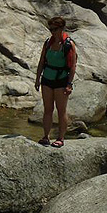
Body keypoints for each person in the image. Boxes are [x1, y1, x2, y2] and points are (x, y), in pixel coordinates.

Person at [34, 16, 77, 148]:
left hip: (61, 80)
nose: (52, 32)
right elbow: (42, 61)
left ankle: (60, 138)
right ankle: (46, 136)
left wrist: (69, 84)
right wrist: (37, 78)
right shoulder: (48, 42)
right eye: (50, 29)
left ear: (61, 28)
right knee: (47, 109)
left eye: (55, 29)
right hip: (47, 79)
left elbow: (73, 66)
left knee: (61, 110)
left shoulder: (69, 44)